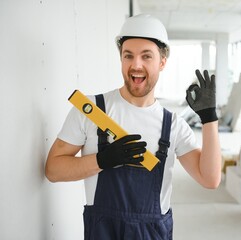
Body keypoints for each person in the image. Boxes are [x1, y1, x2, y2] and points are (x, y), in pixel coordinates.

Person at [45, 14, 221, 240]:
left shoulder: (173, 125)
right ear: (121, 59)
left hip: (152, 233)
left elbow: (210, 179)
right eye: (128, 56)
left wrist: (209, 118)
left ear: (162, 62)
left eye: (146, 56)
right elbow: (53, 170)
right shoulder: (90, 111)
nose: (136, 65)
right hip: (103, 232)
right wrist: (102, 161)